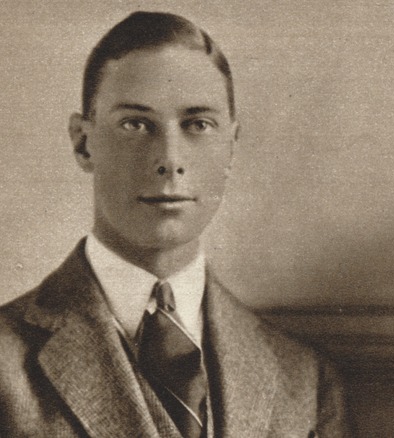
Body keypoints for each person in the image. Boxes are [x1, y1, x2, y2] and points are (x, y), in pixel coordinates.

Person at [0, 11, 348, 437]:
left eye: (198, 125)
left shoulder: (304, 380)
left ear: (231, 148)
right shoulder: (6, 361)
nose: (169, 159)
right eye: (135, 124)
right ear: (83, 142)